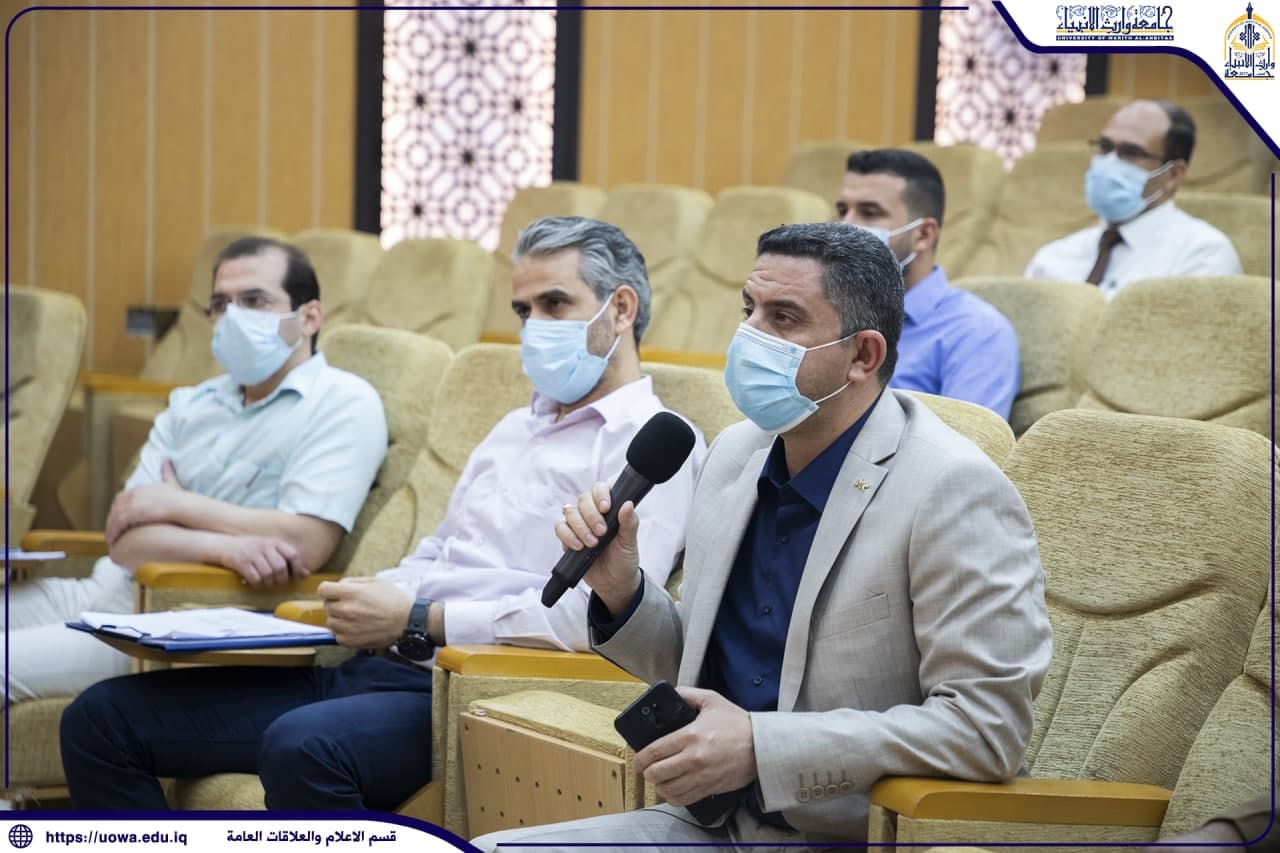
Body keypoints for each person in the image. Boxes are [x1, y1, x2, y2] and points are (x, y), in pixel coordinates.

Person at [60, 217, 706, 812]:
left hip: (470, 689)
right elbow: (441, 550)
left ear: (621, 308)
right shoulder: (513, 427)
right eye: (522, 309)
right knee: (101, 719)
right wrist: (368, 596)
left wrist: (421, 618)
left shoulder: (651, 446)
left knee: (303, 747)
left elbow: (598, 622)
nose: (533, 326)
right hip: (375, 662)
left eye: (554, 304)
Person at [475, 222, 1053, 850]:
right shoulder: (736, 455)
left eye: (783, 318)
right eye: (748, 309)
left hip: (856, 838)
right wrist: (622, 592)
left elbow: (987, 729)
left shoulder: (954, 489)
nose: (749, 335)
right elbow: (700, 667)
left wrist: (763, 747)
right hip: (719, 827)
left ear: (863, 356)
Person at [2, 237, 387, 702]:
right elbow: (125, 539)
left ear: (308, 318)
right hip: (99, 589)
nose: (234, 317)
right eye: (221, 304)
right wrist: (227, 547)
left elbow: (304, 541)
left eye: (255, 301)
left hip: (179, 618)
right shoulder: (193, 403)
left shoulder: (343, 402)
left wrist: (173, 504)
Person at [838, 148, 1019, 419]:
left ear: (923, 234)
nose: (846, 227)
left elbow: (970, 441)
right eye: (843, 211)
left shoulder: (977, 332)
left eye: (870, 212)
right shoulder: (831, 312)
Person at [1025, 99, 1242, 296]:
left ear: (1173, 175)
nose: (1109, 164)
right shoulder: (1053, 258)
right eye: (1105, 147)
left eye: (1131, 153)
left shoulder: (1203, 255)